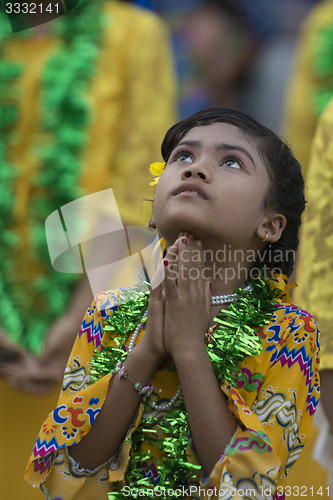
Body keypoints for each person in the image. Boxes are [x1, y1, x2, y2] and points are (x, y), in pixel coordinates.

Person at [25, 108, 320, 499]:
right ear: (152, 214)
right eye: (183, 156)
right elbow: (69, 469)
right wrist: (147, 350)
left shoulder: (292, 333)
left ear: (271, 225)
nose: (195, 169)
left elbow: (248, 488)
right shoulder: (108, 312)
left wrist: (187, 347)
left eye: (231, 161)